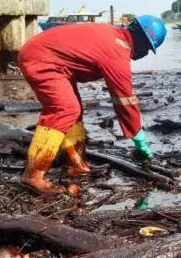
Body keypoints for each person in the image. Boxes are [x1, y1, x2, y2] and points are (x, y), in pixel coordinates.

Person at [18, 15, 167, 195]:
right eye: (148, 49)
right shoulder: (117, 52)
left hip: (49, 56)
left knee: (74, 110)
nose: (145, 54)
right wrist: (139, 139)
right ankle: (32, 176)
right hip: (40, 58)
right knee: (65, 109)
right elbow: (125, 100)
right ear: (142, 40)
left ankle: (77, 165)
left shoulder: (113, 36)